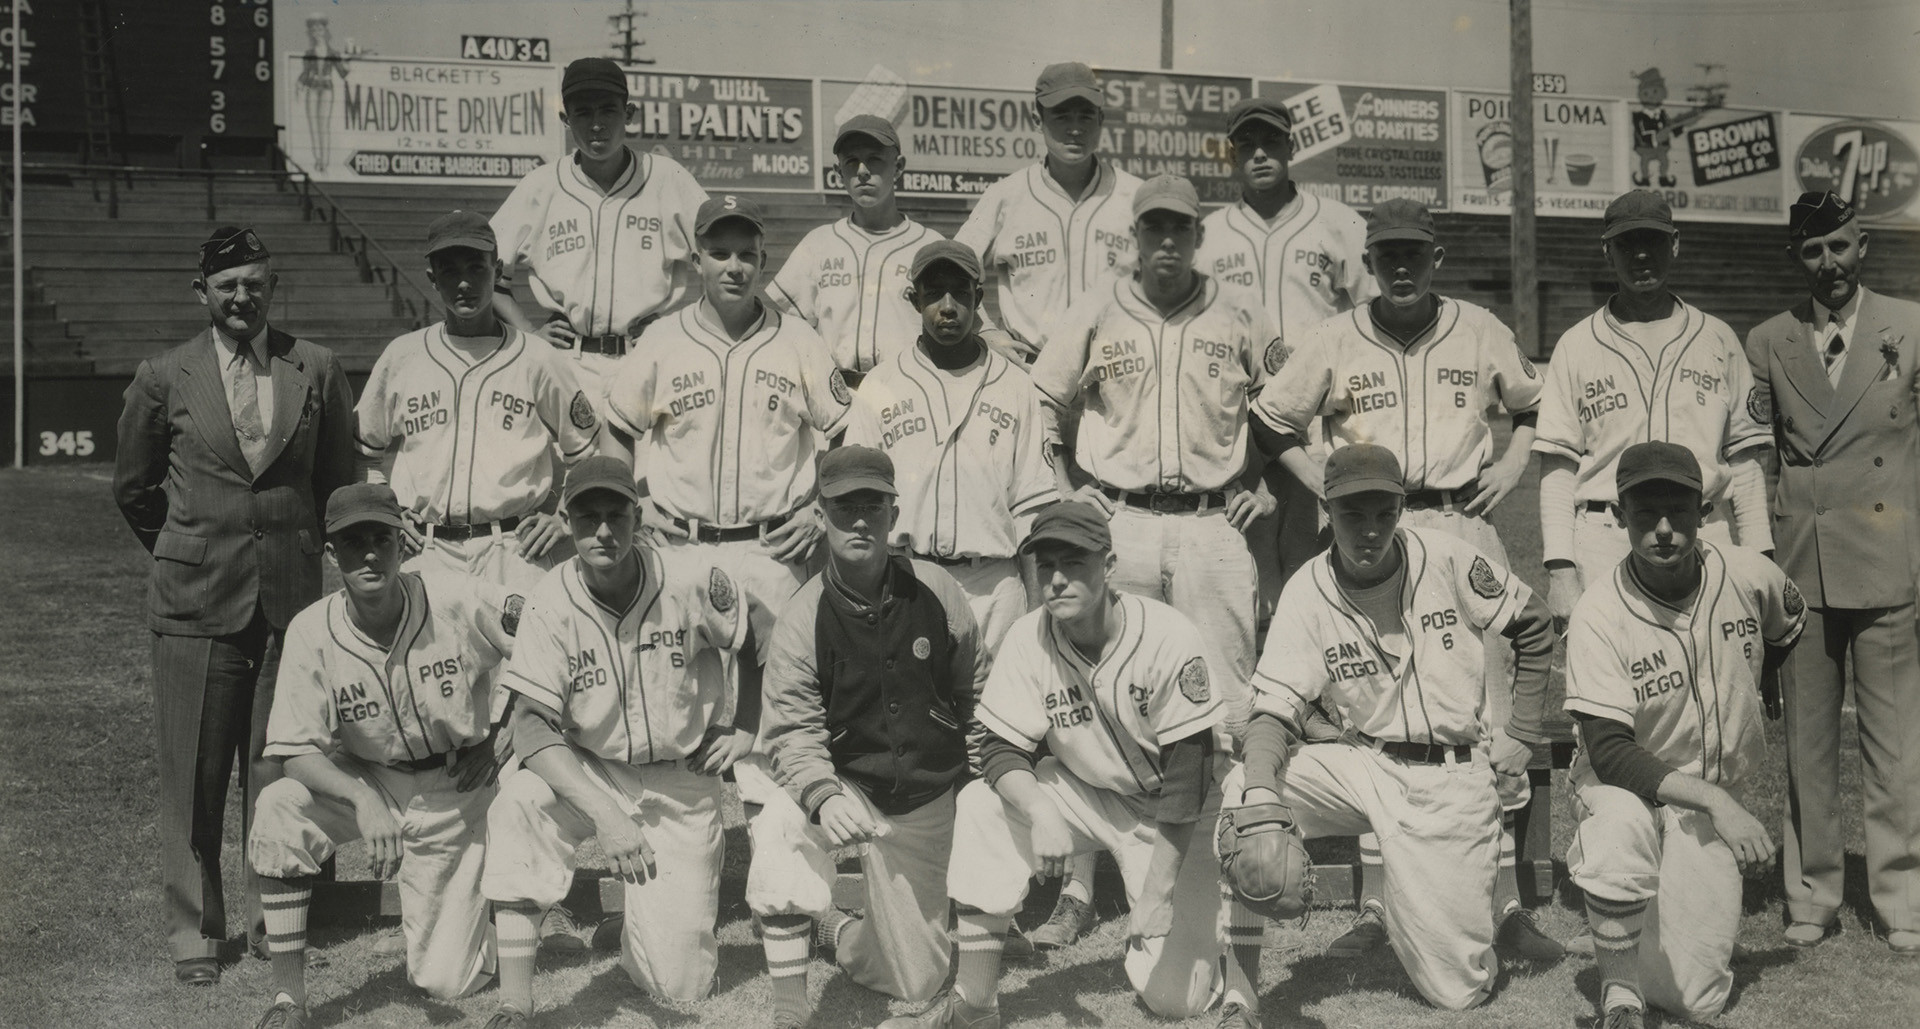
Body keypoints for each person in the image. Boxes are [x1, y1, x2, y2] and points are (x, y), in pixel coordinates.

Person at [1250, 198, 1559, 964]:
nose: (1399, 266)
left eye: (1413, 253)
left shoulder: (1481, 326)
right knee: (1374, 722)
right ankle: (1380, 907)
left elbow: (1534, 402)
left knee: (1481, 723)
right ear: (1369, 260)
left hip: (1455, 523)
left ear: (1437, 259)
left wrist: (1516, 463)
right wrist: (1321, 481)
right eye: (1385, 252)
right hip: (1366, 532)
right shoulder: (1332, 336)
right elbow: (1269, 423)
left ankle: (1505, 902)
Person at [1029, 174, 1279, 947]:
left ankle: (1230, 867)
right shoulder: (1099, 307)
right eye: (1152, 227)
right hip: (1121, 518)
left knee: (1225, 704)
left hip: (1211, 525)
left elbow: (1283, 407)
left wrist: (1265, 485)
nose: (1166, 240)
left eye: (1180, 227)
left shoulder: (1239, 310)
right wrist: (1069, 488)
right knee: (1096, 698)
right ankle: (1080, 884)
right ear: (1133, 236)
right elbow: (1044, 397)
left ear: (1199, 235)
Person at [882, 501, 1247, 1029]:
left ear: (1110, 564)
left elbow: (1189, 776)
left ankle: (1204, 931)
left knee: (1176, 1000)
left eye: (1074, 563)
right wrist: (1040, 810)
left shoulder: (1169, 636)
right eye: (1046, 564)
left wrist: (1157, 894)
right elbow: (998, 747)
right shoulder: (1030, 638)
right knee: (984, 803)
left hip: (1184, 817)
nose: (1056, 579)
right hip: (1095, 795)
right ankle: (974, 1004)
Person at [1224, 444, 1554, 1016]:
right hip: (1365, 766)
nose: (1370, 530)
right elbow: (1273, 710)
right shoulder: (1308, 588)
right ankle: (1241, 996)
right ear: (1328, 510)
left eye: (1384, 513)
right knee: (1241, 797)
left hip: (1452, 781)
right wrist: (1259, 791)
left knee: (1458, 991)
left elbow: (1534, 623)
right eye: (1353, 515)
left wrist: (1522, 730)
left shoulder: (1447, 558)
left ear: (1401, 507)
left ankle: (1420, 908)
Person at [112, 226, 357, 986]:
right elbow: (133, 486)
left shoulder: (313, 367)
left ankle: (271, 916)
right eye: (227, 286)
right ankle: (195, 929)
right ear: (203, 293)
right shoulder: (164, 375)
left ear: (272, 285)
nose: (241, 297)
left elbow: (340, 485)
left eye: (254, 282)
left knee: (278, 770)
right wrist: (185, 546)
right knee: (195, 771)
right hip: (195, 602)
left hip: (289, 604)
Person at [479, 457, 760, 1027]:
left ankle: (642, 927)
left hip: (678, 778)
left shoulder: (689, 577)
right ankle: (514, 1002)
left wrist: (746, 725)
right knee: (518, 804)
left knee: (681, 987)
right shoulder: (550, 601)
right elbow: (531, 724)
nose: (603, 531)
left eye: (616, 515)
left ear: (639, 516)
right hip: (592, 767)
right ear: (566, 518)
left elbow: (761, 631)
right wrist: (606, 815)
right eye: (588, 517)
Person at [247, 484, 519, 1029]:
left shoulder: (454, 598)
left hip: (457, 788)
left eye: (381, 539)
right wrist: (361, 799)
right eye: (352, 543)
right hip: (373, 779)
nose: (369, 554)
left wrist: (502, 735)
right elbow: (295, 751)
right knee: (278, 806)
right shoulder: (311, 630)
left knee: (446, 983)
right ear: (331, 555)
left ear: (402, 545)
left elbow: (550, 637)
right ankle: (288, 1000)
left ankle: (487, 914)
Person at [1562, 442, 1806, 1027]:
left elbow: (1786, 626)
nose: (1665, 529)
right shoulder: (1598, 613)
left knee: (1697, 1001)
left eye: (1680, 511)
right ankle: (1619, 991)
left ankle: (1627, 923)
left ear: (1704, 510)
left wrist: (1761, 680)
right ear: (1619, 516)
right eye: (1645, 515)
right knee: (1621, 827)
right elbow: (1613, 755)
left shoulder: (1748, 573)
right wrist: (1719, 801)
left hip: (1701, 802)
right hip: (1624, 786)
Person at [755, 446, 988, 1026]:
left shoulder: (936, 589)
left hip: (927, 796)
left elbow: (976, 693)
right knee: (779, 820)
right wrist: (821, 793)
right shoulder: (802, 614)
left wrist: (980, 786)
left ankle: (840, 931)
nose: (859, 520)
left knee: (915, 982)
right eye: (843, 507)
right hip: (849, 786)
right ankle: (789, 1010)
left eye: (873, 505)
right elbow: (793, 729)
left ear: (893, 511)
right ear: (819, 514)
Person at [1745, 191, 1920, 956]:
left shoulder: (1911, 327)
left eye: (1841, 247)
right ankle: (1812, 892)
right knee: (1809, 747)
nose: (1830, 265)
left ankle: (1902, 894)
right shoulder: (1770, 339)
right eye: (1813, 252)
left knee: (1896, 744)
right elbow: (1759, 456)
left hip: (1887, 564)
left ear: (1865, 246)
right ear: (1796, 259)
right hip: (1803, 569)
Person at [1533, 189, 1773, 630]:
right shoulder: (1576, 344)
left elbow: (1744, 462)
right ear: (1608, 251)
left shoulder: (1717, 339)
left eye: (1654, 241)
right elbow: (1557, 469)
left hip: (1702, 532)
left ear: (1675, 244)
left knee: (1711, 684)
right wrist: (1560, 569)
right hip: (1605, 537)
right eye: (1627, 243)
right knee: (1608, 689)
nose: (1641, 254)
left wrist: (1760, 557)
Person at [355, 210, 604, 591]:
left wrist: (564, 516)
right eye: (450, 271)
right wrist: (386, 513)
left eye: (476, 267)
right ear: (432, 278)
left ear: (497, 268)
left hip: (513, 550)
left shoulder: (538, 358)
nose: (465, 283)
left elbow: (586, 452)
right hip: (425, 548)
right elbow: (364, 452)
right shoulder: (403, 356)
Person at [1197, 95, 1375, 609]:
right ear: (1230, 154)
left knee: (1313, 560)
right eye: (1247, 144)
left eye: (1271, 140)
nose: (1260, 153)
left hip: (1315, 421)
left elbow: (1373, 313)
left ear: (1291, 145)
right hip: (1233, 421)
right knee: (1242, 564)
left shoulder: (1338, 222)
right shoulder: (1208, 234)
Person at [842, 240, 1057, 658]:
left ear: (978, 299)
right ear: (913, 300)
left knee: (995, 717)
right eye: (933, 293)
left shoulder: (1015, 386)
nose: (947, 305)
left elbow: (1032, 513)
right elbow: (858, 501)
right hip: (906, 576)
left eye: (960, 293)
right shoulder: (882, 383)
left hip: (993, 587)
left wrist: (1037, 610)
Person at [490, 57, 710, 413]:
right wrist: (527, 332)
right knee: (575, 466)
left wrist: (678, 329)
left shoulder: (669, 179)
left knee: (649, 468)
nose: (596, 125)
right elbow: (487, 273)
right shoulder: (541, 186)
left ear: (630, 113)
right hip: (569, 361)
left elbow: (719, 256)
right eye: (582, 113)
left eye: (608, 110)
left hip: (649, 356)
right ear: (565, 119)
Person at [954, 62, 1140, 363]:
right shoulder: (1006, 196)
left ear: (1101, 119)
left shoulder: (1134, 196)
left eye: (1086, 116)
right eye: (1062, 116)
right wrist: (985, 331)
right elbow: (953, 267)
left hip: (1116, 372)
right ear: (1037, 120)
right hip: (1031, 370)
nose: (1075, 129)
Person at [769, 115, 949, 385]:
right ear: (839, 172)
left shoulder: (929, 245)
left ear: (898, 167)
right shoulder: (818, 243)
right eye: (851, 162)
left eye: (875, 159)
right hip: (836, 392)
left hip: (908, 387)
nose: (862, 170)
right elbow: (786, 329)